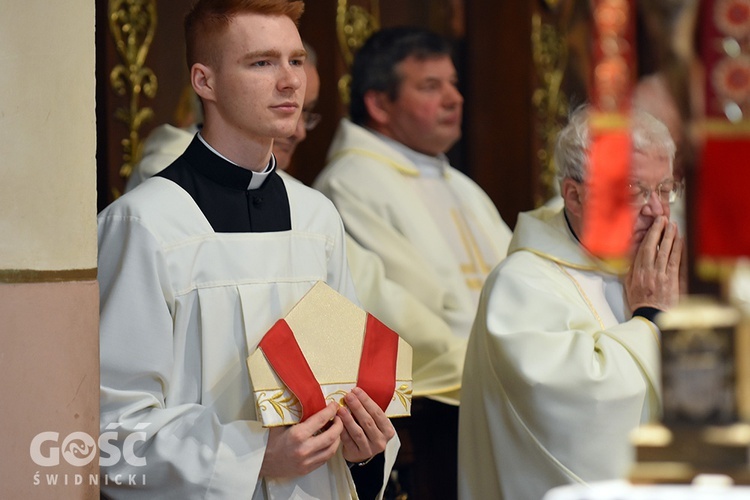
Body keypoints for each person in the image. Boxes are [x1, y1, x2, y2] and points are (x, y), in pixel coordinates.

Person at [97, 1, 398, 498]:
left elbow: (345, 386)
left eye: (296, 60)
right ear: (204, 82)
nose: (289, 81)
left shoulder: (316, 219)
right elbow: (114, 429)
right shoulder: (146, 224)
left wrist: (362, 448)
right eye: (261, 62)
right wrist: (252, 457)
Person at [312, 26, 513, 498]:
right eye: (430, 86)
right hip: (443, 411)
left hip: (499, 385)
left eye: (453, 83)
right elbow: (391, 309)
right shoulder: (350, 183)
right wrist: (488, 365)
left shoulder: (457, 182)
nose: (454, 98)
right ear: (379, 104)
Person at [458, 105, 684, 500]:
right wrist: (648, 319)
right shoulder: (521, 286)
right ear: (575, 197)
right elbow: (582, 413)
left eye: (664, 189)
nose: (656, 210)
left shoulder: (645, 271)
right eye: (633, 190)